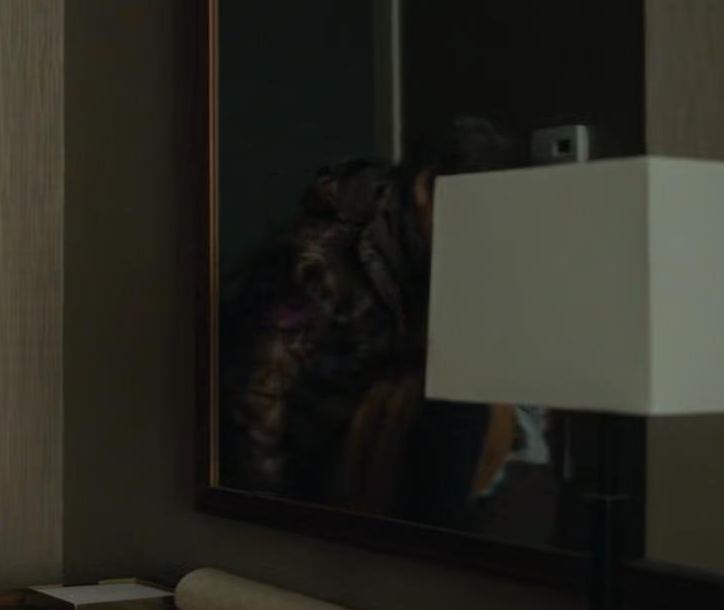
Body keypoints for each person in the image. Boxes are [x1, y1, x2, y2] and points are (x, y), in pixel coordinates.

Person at [214, 117, 530, 526]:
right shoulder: (317, 262)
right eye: (477, 214)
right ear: (424, 188)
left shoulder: (430, 258)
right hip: (306, 492)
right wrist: (276, 523)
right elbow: (254, 402)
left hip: (370, 477)